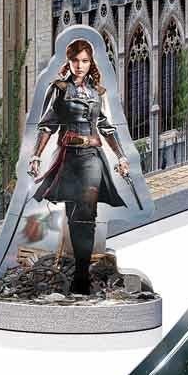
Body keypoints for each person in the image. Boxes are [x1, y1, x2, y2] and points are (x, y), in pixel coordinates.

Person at [27, 37, 130, 295]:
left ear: (90, 62)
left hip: (92, 157)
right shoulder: (60, 89)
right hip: (68, 158)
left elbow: (106, 127)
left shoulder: (97, 92)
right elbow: (48, 125)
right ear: (69, 62)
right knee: (74, 214)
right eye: (75, 60)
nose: (80, 65)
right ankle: (79, 272)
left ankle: (82, 276)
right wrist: (36, 156)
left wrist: (121, 157)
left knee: (87, 211)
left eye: (84, 60)